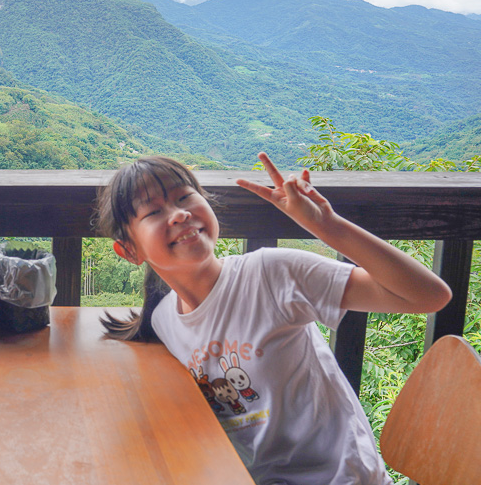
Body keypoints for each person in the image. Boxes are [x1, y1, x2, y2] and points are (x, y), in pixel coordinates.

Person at [98, 153, 451, 485]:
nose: (178, 214)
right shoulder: (163, 319)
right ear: (129, 250)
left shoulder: (270, 274)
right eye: (154, 212)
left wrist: (327, 226)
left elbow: (429, 296)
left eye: (184, 197)